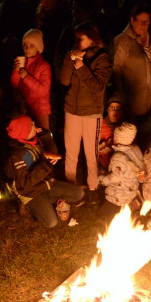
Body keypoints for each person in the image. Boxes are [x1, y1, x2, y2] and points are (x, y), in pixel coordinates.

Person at [59, 21, 112, 204]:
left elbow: (97, 86)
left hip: (91, 112)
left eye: (81, 38)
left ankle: (93, 189)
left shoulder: (103, 58)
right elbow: (64, 81)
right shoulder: (74, 54)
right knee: (71, 152)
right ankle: (70, 189)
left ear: (91, 39)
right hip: (71, 110)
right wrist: (69, 59)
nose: (78, 41)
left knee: (91, 153)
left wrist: (81, 66)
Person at [4, 115, 84, 228]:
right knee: (52, 222)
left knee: (79, 193)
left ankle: (49, 203)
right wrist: (46, 166)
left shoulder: (33, 142)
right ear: (25, 132)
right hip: (31, 193)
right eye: (31, 124)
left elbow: (53, 153)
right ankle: (28, 206)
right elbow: (26, 182)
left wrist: (45, 136)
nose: (34, 124)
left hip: (46, 184)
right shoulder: (18, 155)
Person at [112, 3, 151, 128]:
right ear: (132, 20)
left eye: (147, 22)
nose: (144, 25)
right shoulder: (122, 42)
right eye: (141, 21)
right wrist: (121, 97)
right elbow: (116, 70)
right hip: (133, 102)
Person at [10, 28, 53, 131]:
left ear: (38, 47)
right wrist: (16, 71)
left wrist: (26, 77)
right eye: (25, 46)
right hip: (25, 108)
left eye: (31, 46)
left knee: (43, 137)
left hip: (40, 110)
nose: (27, 48)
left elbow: (43, 91)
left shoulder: (43, 66)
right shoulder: (23, 62)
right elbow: (15, 85)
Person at [97, 121, 144, 214]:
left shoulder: (118, 157)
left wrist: (100, 180)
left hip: (117, 195)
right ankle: (130, 205)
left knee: (102, 213)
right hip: (130, 192)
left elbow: (115, 178)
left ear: (119, 138)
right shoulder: (135, 151)